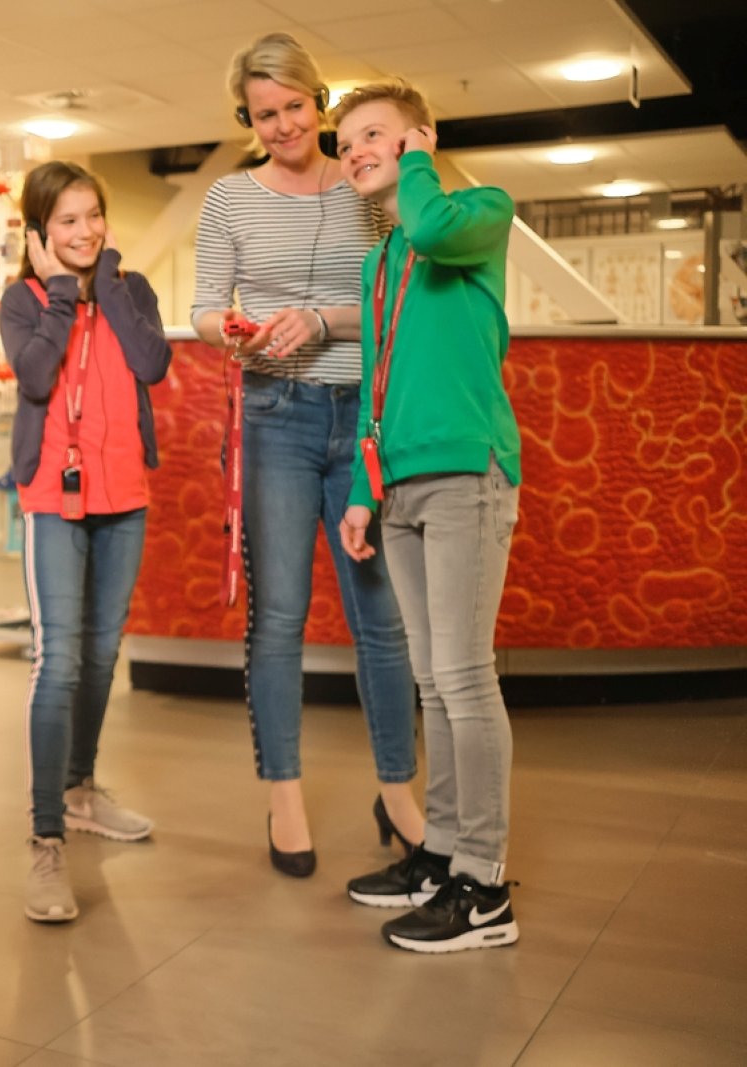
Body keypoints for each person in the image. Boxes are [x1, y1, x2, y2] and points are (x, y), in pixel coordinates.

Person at [190, 32, 422, 878]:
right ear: (246, 120)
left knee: (381, 618)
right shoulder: (227, 200)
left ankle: (400, 788)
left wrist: (324, 320)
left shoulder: (364, 182)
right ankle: (283, 792)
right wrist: (239, 333)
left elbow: (396, 292)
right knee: (279, 615)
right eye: (264, 113)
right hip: (276, 414)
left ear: (317, 102)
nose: (284, 124)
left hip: (364, 416)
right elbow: (206, 310)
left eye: (294, 105)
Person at [333, 80, 523, 953]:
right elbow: (374, 385)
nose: (355, 151)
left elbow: (435, 225)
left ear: (421, 138)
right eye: (346, 144)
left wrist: (414, 167)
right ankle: (440, 851)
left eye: (373, 135)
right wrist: (365, 492)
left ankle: (483, 887)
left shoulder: (476, 212)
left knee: (464, 672)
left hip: (466, 475)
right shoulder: (379, 267)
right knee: (434, 679)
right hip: (402, 487)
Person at [0, 160, 172, 923]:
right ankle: (45, 841)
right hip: (51, 500)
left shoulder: (132, 291)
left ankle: (81, 789)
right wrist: (65, 294)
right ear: (38, 232)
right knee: (58, 659)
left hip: (123, 495)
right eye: (67, 221)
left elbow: (152, 361)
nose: (86, 230)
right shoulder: (24, 299)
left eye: (93, 215)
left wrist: (104, 281)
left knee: (103, 654)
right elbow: (37, 378)